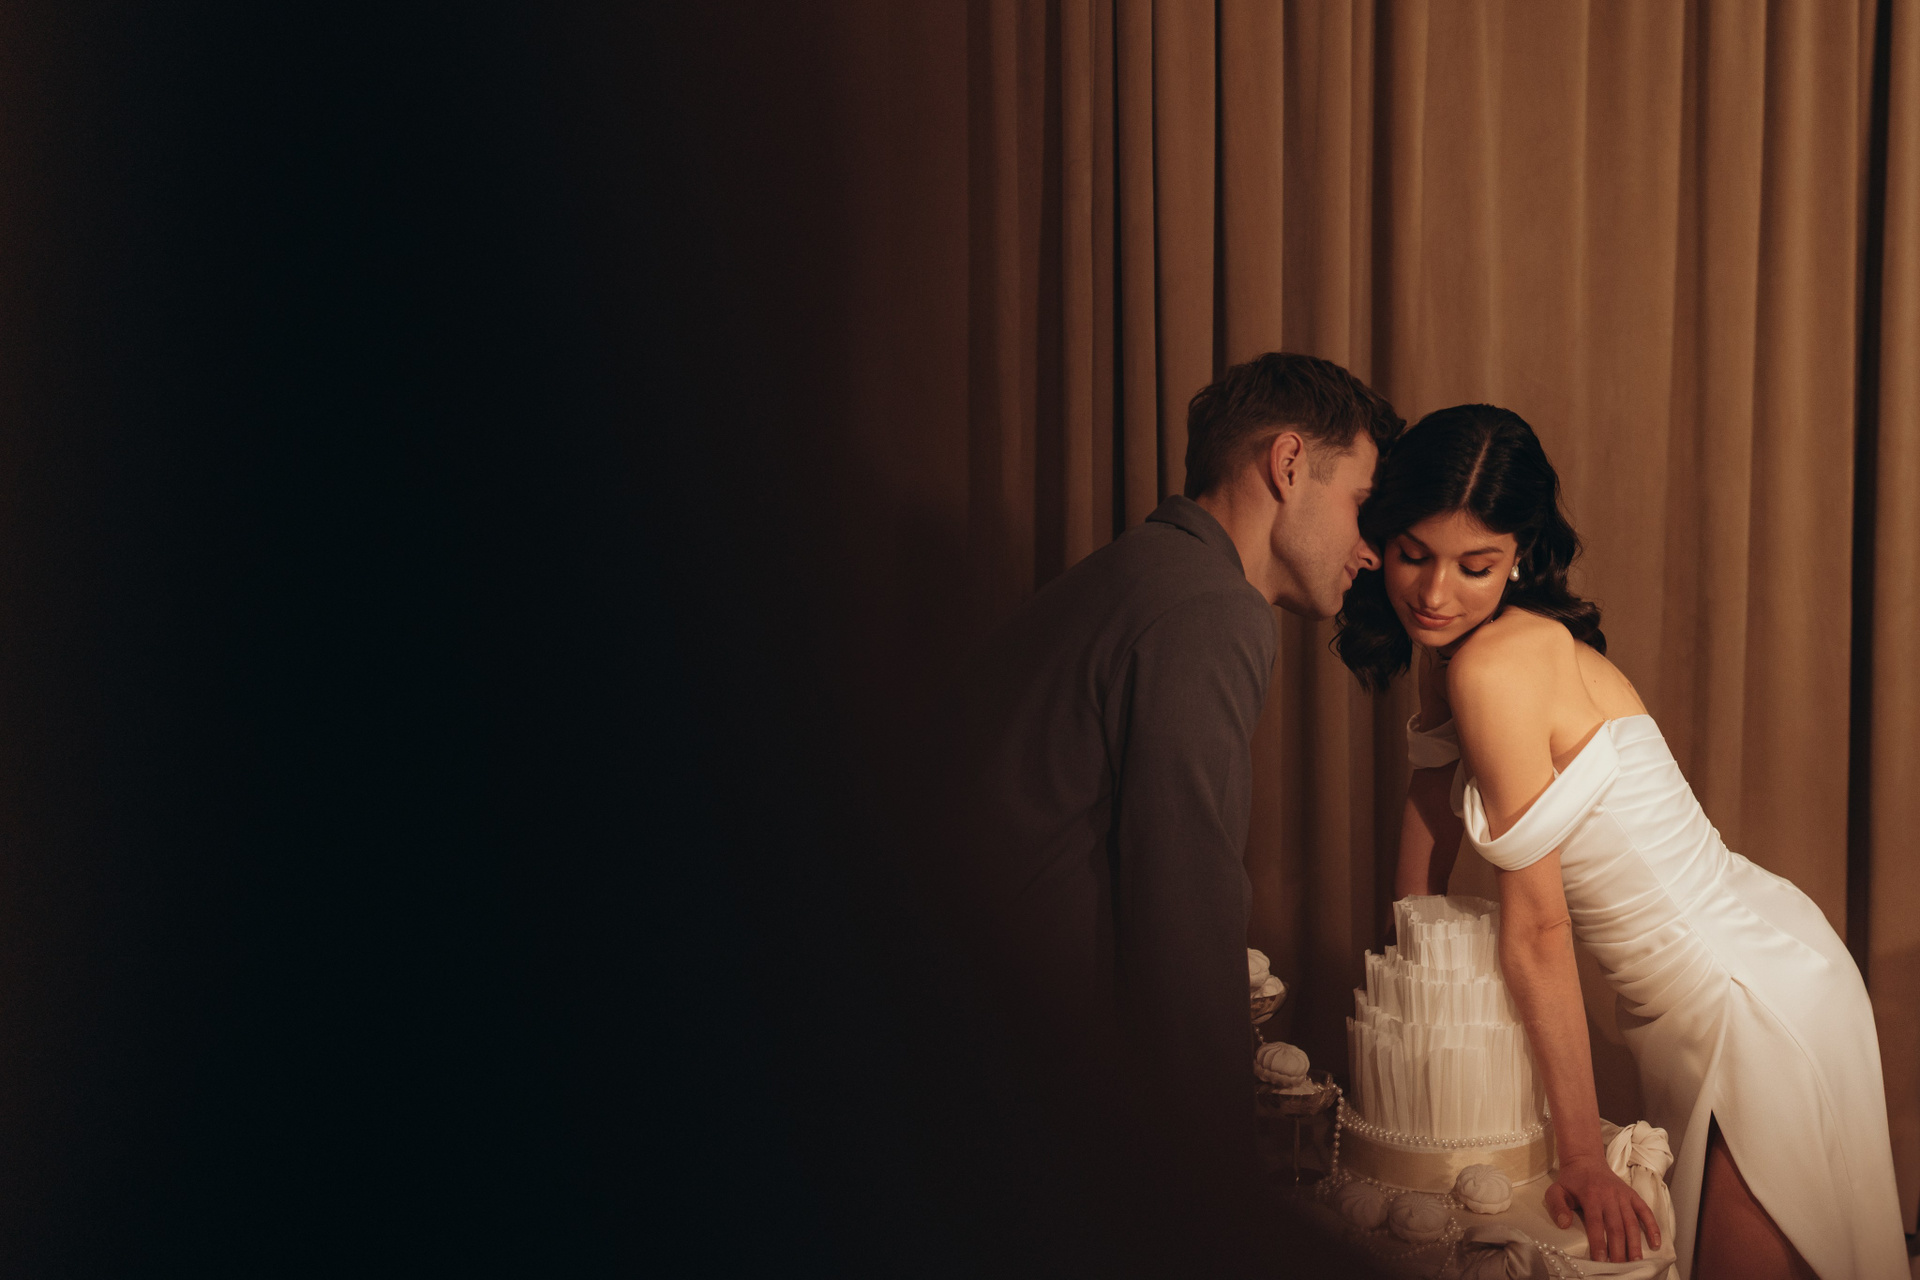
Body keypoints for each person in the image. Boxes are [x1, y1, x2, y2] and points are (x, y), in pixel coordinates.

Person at [1334, 404, 1909, 1279]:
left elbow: (1539, 928)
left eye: (1475, 566)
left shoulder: (1495, 665)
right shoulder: (1456, 650)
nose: (1434, 593)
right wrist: (1406, 968)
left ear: (1519, 554)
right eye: (1414, 554)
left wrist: (1581, 1157)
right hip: (1722, 974)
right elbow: (1431, 798)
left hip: (1742, 996)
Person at [925, 353, 1401, 1277]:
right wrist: (1216, 1205)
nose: (1370, 550)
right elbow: (1183, 915)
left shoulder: (1145, 571)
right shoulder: (1210, 607)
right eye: (1360, 504)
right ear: (1289, 464)